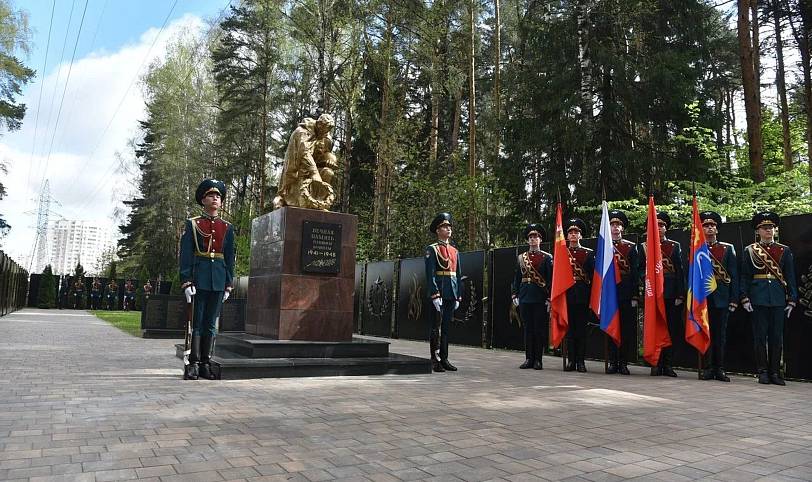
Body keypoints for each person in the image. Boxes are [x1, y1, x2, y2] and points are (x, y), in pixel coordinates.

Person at [179, 179, 236, 380]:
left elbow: (230, 257)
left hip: (218, 280)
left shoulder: (227, 227)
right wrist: (186, 281)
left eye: (218, 196)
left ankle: (205, 362)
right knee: (197, 322)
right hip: (199, 279)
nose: (215, 199)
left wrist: (229, 283)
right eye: (211, 195)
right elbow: (186, 254)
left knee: (211, 323)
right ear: (203, 199)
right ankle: (193, 362)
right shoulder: (193, 224)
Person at [740, 212, 798, 386]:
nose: (769, 231)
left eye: (771, 228)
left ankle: (775, 372)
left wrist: (792, 299)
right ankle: (763, 371)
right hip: (758, 298)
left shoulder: (784, 250)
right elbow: (744, 276)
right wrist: (744, 298)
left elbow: (790, 276)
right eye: (765, 228)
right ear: (758, 231)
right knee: (760, 337)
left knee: (776, 337)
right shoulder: (750, 250)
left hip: (779, 299)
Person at [640, 212, 685, 377]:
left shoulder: (675, 246)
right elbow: (639, 271)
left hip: (671, 294)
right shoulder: (644, 247)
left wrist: (681, 294)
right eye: (655, 225)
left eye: (662, 225)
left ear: (666, 228)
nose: (659, 228)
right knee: (654, 328)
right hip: (652, 294)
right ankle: (655, 363)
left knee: (671, 329)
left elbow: (680, 271)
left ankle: (668, 364)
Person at [699, 211, 738, 382]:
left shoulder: (727, 249)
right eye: (706, 226)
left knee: (720, 335)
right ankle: (707, 367)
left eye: (712, 226)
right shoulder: (697, 249)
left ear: (717, 229)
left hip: (722, 298)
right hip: (702, 299)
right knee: (705, 333)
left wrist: (734, 299)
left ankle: (719, 368)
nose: (709, 228)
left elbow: (734, 275)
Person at [273, 114, 337, 210]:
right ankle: (285, 198)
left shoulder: (325, 135)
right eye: (324, 130)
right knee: (299, 185)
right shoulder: (302, 132)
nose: (325, 133)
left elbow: (326, 152)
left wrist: (330, 159)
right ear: (319, 124)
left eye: (327, 131)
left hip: (314, 166)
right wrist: (314, 173)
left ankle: (318, 203)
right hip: (297, 168)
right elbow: (304, 153)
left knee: (328, 172)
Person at [511, 223, 553, 370]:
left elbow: (551, 279)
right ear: (527, 240)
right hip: (525, 296)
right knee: (528, 328)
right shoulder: (521, 258)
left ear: (540, 239)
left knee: (539, 329)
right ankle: (529, 358)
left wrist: (549, 298)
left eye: (536, 237)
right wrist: (514, 294)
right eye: (530, 237)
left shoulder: (547, 258)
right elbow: (516, 278)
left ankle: (538, 360)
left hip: (540, 298)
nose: (533, 239)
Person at [425, 212, 462, 373]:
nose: (448, 229)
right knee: (436, 327)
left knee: (446, 327)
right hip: (439, 292)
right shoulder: (432, 249)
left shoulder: (454, 251)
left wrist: (458, 295)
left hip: (451, 292)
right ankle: (435, 359)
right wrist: (435, 294)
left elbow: (458, 274)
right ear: (438, 230)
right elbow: (430, 273)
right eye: (444, 227)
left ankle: (445, 358)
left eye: (449, 227)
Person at [607, 210, 640, 375]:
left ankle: (623, 362)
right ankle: (612, 362)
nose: (615, 227)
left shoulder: (630, 247)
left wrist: (635, 295)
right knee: (611, 327)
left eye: (618, 224)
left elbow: (635, 272)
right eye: (612, 224)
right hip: (609, 293)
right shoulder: (604, 247)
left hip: (625, 291)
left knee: (625, 329)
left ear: (622, 228)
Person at [564, 218, 594, 373]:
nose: (573, 235)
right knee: (570, 331)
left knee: (581, 331)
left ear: (581, 236)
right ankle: (571, 361)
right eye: (570, 233)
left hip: (583, 296)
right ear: (567, 236)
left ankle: (581, 361)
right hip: (567, 296)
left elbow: (593, 278)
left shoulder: (588, 254)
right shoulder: (562, 254)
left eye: (576, 232)